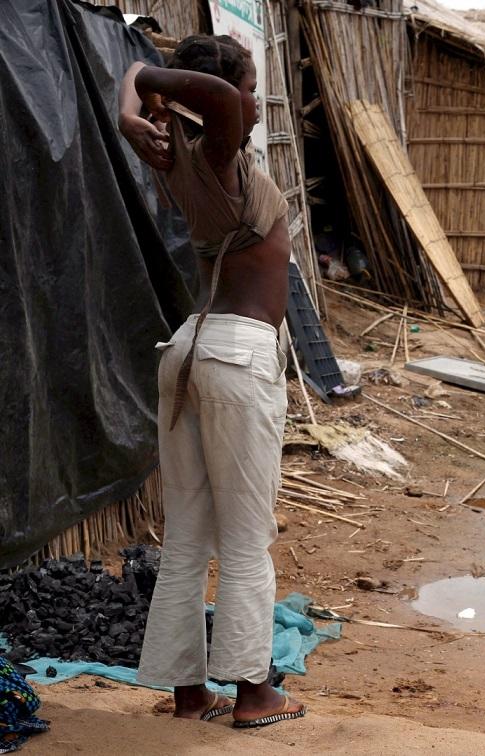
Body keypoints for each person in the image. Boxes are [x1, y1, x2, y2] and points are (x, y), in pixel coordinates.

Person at [117, 35, 304, 728]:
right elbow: (219, 97)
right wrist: (157, 91)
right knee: (246, 537)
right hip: (235, 354)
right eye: (251, 86)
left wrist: (131, 105)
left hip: (190, 348)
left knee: (190, 536)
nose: (254, 101)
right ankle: (255, 694)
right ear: (216, 95)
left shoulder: (170, 154)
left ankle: (187, 690)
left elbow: (135, 70)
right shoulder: (215, 149)